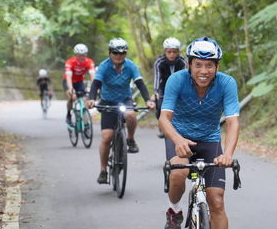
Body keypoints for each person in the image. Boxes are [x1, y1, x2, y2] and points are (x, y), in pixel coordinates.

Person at [159, 37, 240, 229]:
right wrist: (177, 139)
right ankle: (174, 210)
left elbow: (233, 122)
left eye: (209, 66)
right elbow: (164, 117)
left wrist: (227, 154)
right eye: (198, 65)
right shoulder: (177, 81)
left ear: (216, 66)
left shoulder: (226, 83)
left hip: (210, 140)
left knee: (216, 200)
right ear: (189, 65)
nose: (204, 71)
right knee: (179, 173)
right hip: (179, 136)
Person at [87, 38, 155, 184]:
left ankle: (130, 139)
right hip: (108, 102)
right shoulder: (104, 66)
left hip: (124, 100)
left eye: (122, 53)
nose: (118, 56)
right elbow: (96, 84)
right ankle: (103, 170)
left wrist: (148, 100)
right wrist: (92, 98)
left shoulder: (130, 65)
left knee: (130, 114)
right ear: (110, 53)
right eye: (115, 53)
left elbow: (140, 84)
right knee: (107, 137)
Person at [152, 37, 187, 138]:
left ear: (178, 52)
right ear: (165, 51)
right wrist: (156, 92)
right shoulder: (159, 62)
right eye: (169, 52)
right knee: (159, 105)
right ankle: (162, 127)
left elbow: (185, 77)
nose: (172, 54)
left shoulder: (183, 61)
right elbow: (157, 77)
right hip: (163, 88)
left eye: (174, 52)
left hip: (179, 88)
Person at [63, 44, 95, 125]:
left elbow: (93, 76)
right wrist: (71, 89)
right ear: (76, 55)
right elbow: (68, 77)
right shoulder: (70, 62)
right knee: (72, 97)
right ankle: (68, 114)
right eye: (80, 55)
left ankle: (85, 120)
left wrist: (95, 87)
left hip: (79, 82)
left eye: (84, 55)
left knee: (85, 99)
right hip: (68, 81)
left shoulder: (89, 62)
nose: (82, 57)